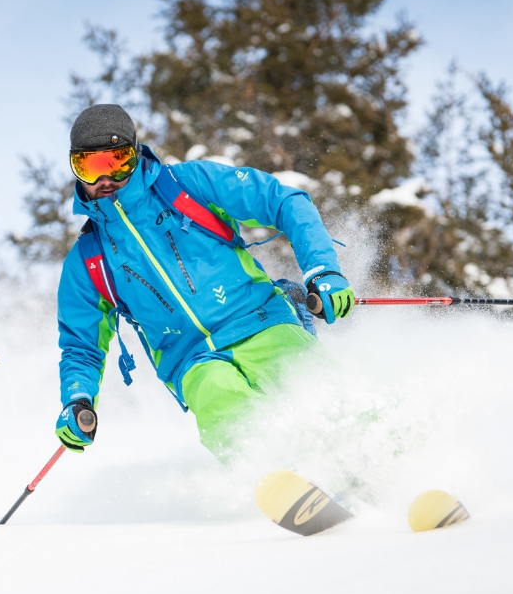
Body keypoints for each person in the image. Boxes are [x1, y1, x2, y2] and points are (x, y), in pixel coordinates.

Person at [55, 104, 353, 459]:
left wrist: (321, 268)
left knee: (319, 391)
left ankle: (395, 460)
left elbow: (283, 201)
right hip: (193, 360)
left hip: (261, 322)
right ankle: (274, 475)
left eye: (116, 162)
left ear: (135, 155)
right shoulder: (89, 258)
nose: (105, 180)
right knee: (221, 399)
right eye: (89, 166)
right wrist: (78, 398)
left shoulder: (185, 186)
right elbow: (81, 344)